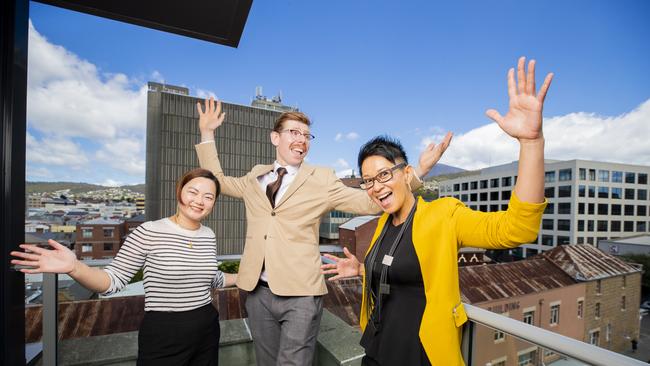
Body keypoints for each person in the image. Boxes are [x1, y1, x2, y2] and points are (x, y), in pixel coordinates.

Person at [321, 56, 553, 365]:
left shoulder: (444, 215)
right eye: (367, 181)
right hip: (377, 351)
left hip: (422, 356)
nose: (376, 187)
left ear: (406, 173)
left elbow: (517, 229)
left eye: (384, 175)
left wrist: (531, 142)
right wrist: (362, 270)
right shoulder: (381, 225)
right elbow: (402, 274)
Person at [194, 99, 451, 365]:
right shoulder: (257, 176)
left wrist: (419, 172)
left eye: (307, 136)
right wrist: (207, 133)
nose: (302, 140)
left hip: (301, 296)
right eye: (294, 133)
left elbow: (367, 202)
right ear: (275, 138)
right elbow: (219, 182)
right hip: (257, 292)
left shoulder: (321, 178)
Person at [11, 168, 237, 366]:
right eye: (193, 192)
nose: (199, 201)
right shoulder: (149, 231)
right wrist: (74, 267)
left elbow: (211, 277)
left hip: (206, 325)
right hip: (165, 330)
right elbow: (112, 281)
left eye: (209, 197)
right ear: (179, 192)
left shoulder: (208, 235)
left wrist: (244, 276)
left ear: (213, 203)